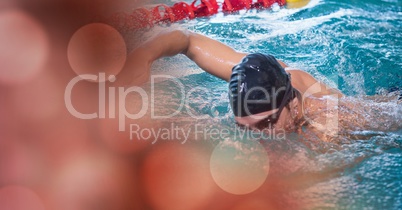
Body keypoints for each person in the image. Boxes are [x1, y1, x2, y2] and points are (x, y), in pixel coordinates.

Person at [121, 29, 401, 142]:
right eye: (247, 126)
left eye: (266, 124)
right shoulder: (251, 74)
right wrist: (144, 56)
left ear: (293, 105)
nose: (258, 134)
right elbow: (187, 41)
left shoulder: (327, 124)